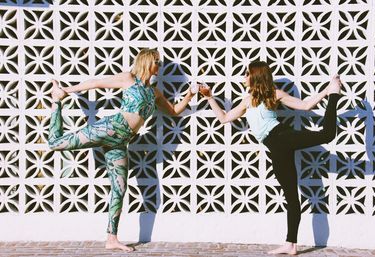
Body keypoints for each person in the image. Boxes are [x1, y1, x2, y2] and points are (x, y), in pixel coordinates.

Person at [48, 48, 198, 251]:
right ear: (147, 62)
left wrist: (190, 94)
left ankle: (111, 239)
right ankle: (56, 100)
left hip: (121, 141)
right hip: (109, 129)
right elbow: (95, 83)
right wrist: (66, 91)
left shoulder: (153, 91)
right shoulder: (129, 79)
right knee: (55, 144)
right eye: (157, 62)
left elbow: (172, 111)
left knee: (119, 189)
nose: (159, 67)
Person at [199, 60, 341, 255]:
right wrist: (209, 97)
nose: (244, 77)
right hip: (276, 148)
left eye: (246, 73)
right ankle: (291, 244)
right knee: (292, 196)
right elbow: (224, 118)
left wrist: (327, 91)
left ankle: (334, 94)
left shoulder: (274, 94)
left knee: (327, 134)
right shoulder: (247, 101)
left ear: (255, 76)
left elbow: (306, 105)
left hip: (282, 136)